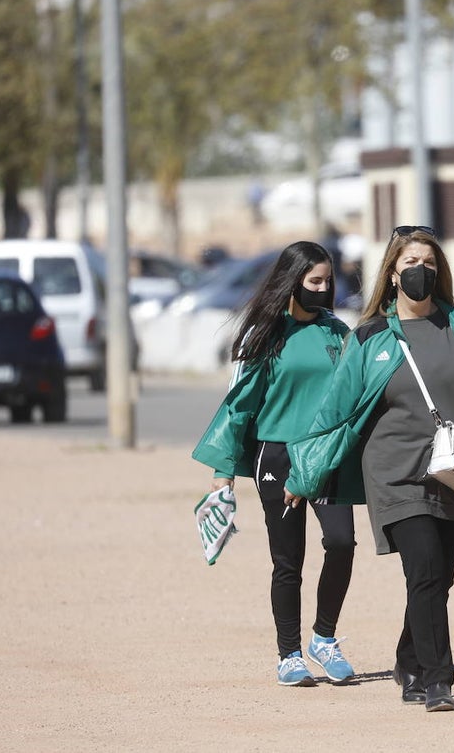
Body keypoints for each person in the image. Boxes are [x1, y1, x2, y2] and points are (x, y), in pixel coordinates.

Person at [283, 225, 454, 712]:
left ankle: (408, 659)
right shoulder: (369, 338)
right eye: (410, 264)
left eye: (429, 264)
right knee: (425, 569)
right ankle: (438, 681)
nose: (420, 273)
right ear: (391, 274)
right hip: (396, 475)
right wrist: (302, 476)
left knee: (438, 577)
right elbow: (333, 411)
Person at [191, 241, 360, 688]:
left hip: (325, 455)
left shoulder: (337, 332)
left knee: (342, 542)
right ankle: (288, 654)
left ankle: (324, 637)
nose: (324, 289)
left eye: (328, 281)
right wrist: (222, 472)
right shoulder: (266, 334)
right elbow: (239, 406)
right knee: (289, 560)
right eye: (315, 281)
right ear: (293, 281)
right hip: (279, 456)